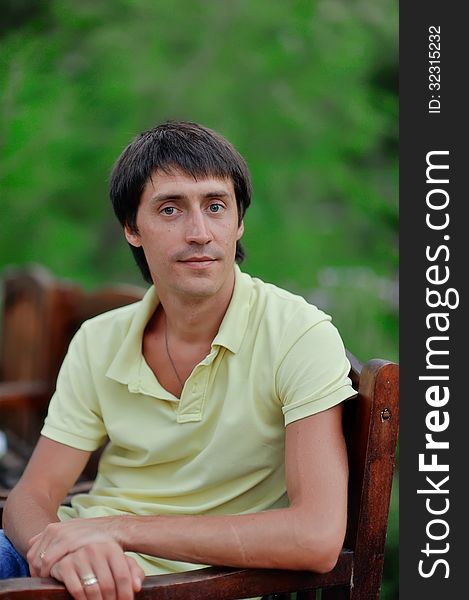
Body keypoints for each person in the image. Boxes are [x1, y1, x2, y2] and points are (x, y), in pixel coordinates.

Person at [2, 121, 356, 599]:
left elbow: (316, 538)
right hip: (74, 563)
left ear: (238, 221)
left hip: (189, 586)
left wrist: (119, 531)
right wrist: (60, 548)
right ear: (132, 228)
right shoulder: (99, 339)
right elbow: (32, 494)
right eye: (170, 209)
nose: (199, 233)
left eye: (215, 206)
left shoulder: (299, 335)